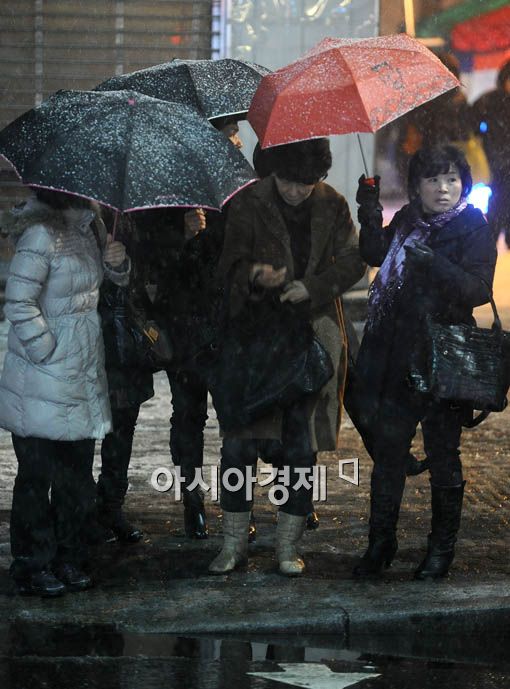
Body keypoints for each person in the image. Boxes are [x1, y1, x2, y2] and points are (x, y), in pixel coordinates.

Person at [209, 137, 365, 576]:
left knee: (300, 448)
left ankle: (287, 546)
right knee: (239, 444)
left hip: (308, 344)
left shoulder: (332, 204)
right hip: (255, 343)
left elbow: (353, 261)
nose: (296, 191)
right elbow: (227, 268)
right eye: (287, 181)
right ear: (272, 171)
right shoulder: (248, 202)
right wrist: (254, 274)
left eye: (306, 183)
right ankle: (233, 544)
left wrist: (312, 288)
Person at [95, 115, 244, 543]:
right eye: (229, 136)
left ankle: (236, 507)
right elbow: (149, 257)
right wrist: (184, 233)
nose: (235, 143)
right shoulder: (170, 189)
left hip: (226, 319)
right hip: (182, 321)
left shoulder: (238, 191)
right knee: (188, 416)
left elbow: (244, 248)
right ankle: (192, 502)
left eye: (236, 138)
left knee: (234, 419)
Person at [353, 145, 497, 580]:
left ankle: (440, 549)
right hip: (397, 354)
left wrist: (434, 264)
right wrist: (369, 212)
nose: (443, 188)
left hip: (442, 357)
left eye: (452, 179)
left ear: (463, 184)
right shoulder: (408, 220)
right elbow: (375, 254)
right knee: (390, 451)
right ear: (417, 186)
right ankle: (381, 542)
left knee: (443, 454)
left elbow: (477, 289)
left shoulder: (474, 226)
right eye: (433, 179)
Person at [0, 188, 129, 596]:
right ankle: (32, 564)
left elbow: (98, 288)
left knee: (76, 477)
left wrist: (118, 264)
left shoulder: (90, 226)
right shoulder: (40, 234)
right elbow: (18, 301)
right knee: (37, 476)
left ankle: (67, 556)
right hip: (41, 377)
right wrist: (47, 348)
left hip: (82, 372)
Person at [471, 59, 510, 246]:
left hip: (499, 157)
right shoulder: (490, 100)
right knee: (498, 196)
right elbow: (471, 121)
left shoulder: (489, 100)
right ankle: (493, 233)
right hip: (495, 159)